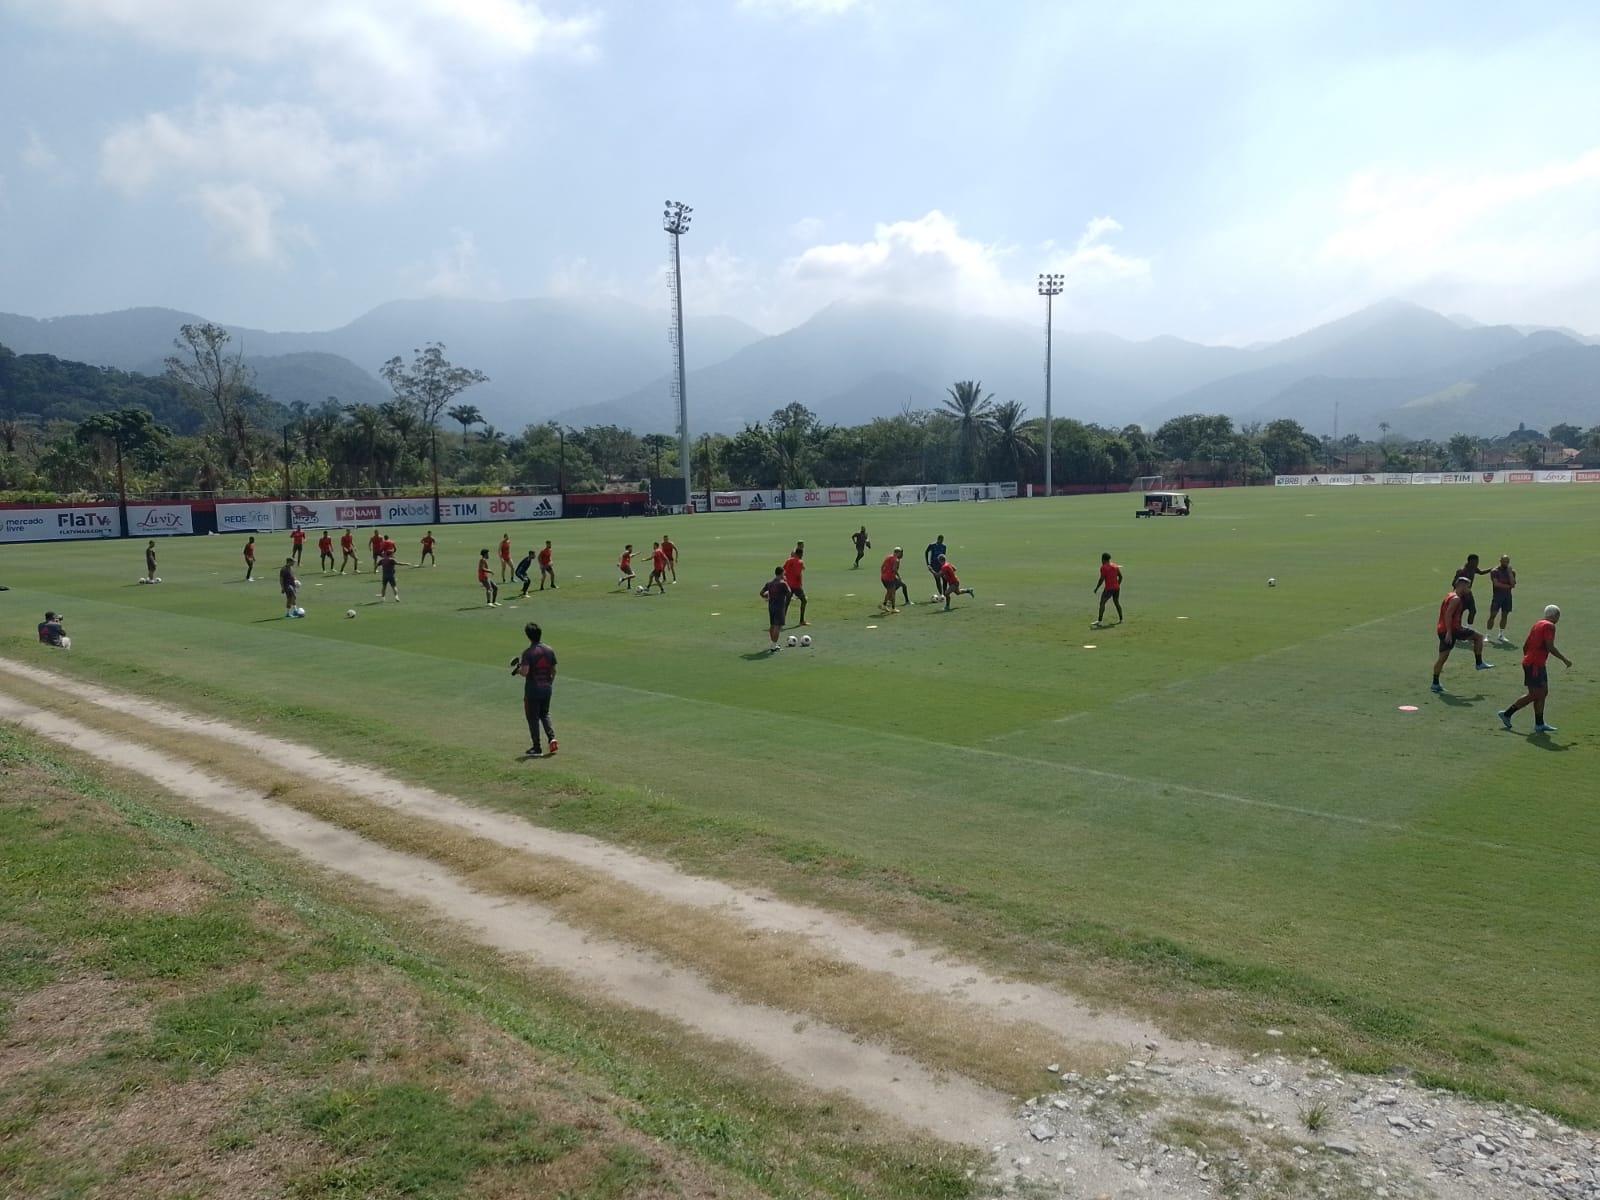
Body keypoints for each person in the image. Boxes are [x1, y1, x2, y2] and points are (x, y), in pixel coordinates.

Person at [1498, 605, 1571, 734]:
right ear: (1556, 616)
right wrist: (1564, 659)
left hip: (1533, 662)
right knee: (1536, 694)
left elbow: (1525, 645)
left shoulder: (1538, 624)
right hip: (1535, 664)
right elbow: (1550, 646)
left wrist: (1528, 657)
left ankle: (1539, 724)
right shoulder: (1549, 626)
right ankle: (1507, 714)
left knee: (1543, 692)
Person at [1430, 577, 1492, 693]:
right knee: (1478, 637)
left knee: (1442, 657)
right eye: (1468, 587)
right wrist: (1449, 632)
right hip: (1452, 630)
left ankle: (1435, 683)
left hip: (1443, 629)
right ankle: (1479, 663)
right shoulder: (1456, 599)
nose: (1469, 589)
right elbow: (1448, 615)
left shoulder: (1450, 595)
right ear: (1462, 586)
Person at [510, 621, 558, 757]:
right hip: (547, 688)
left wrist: (518, 670)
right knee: (545, 713)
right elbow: (554, 670)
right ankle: (552, 738)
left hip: (533, 690)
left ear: (528, 636)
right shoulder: (549, 650)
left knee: (533, 718)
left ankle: (537, 747)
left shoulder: (528, 653)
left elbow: (525, 672)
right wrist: (550, 683)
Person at [1451, 553, 1490, 625]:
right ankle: (1457, 627)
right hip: (1461, 594)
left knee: (1473, 610)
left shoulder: (1473, 568)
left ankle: (1469, 627)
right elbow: (1454, 583)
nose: (1477, 564)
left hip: (1468, 593)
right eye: (1476, 562)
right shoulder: (1462, 571)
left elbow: (1481, 572)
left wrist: (1491, 569)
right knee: (1459, 612)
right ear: (1470, 562)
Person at [760, 566, 792, 652]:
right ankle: (774, 646)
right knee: (777, 626)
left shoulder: (769, 583)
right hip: (780, 607)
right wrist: (785, 582)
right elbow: (789, 592)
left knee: (772, 626)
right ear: (782, 573)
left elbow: (761, 593)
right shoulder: (783, 583)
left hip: (771, 606)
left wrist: (767, 596)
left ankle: (773, 643)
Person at [1487, 554, 1516, 646]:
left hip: (1507, 597)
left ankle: (1501, 634)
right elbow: (1496, 584)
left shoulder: (1511, 571)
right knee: (1493, 615)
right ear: (1500, 561)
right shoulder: (1495, 571)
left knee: (1505, 615)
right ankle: (1488, 634)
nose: (1506, 563)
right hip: (1497, 596)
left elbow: (1513, 584)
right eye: (1504, 561)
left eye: (1507, 561)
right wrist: (1508, 586)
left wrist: (1510, 573)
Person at [1092, 553, 1123, 627]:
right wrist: (1117, 584)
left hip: (1109, 589)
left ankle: (1099, 621)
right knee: (1116, 602)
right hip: (1116, 588)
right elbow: (1121, 577)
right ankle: (1121, 619)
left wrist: (1096, 588)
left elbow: (1101, 579)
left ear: (1103, 559)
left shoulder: (1104, 567)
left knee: (1102, 603)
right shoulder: (1115, 566)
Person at [782, 546, 807, 625]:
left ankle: (781, 621)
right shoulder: (800, 562)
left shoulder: (789, 560)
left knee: (786, 603)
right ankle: (801, 620)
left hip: (788, 585)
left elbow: (784, 569)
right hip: (796, 586)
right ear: (800, 554)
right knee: (804, 601)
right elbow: (797, 573)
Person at [880, 547, 905, 614]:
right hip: (889, 578)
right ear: (898, 553)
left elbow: (882, 566)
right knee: (893, 592)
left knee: (889, 591)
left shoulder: (888, 557)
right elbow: (894, 569)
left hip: (884, 577)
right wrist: (898, 576)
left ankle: (884, 605)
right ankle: (893, 608)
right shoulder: (896, 560)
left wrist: (883, 573)